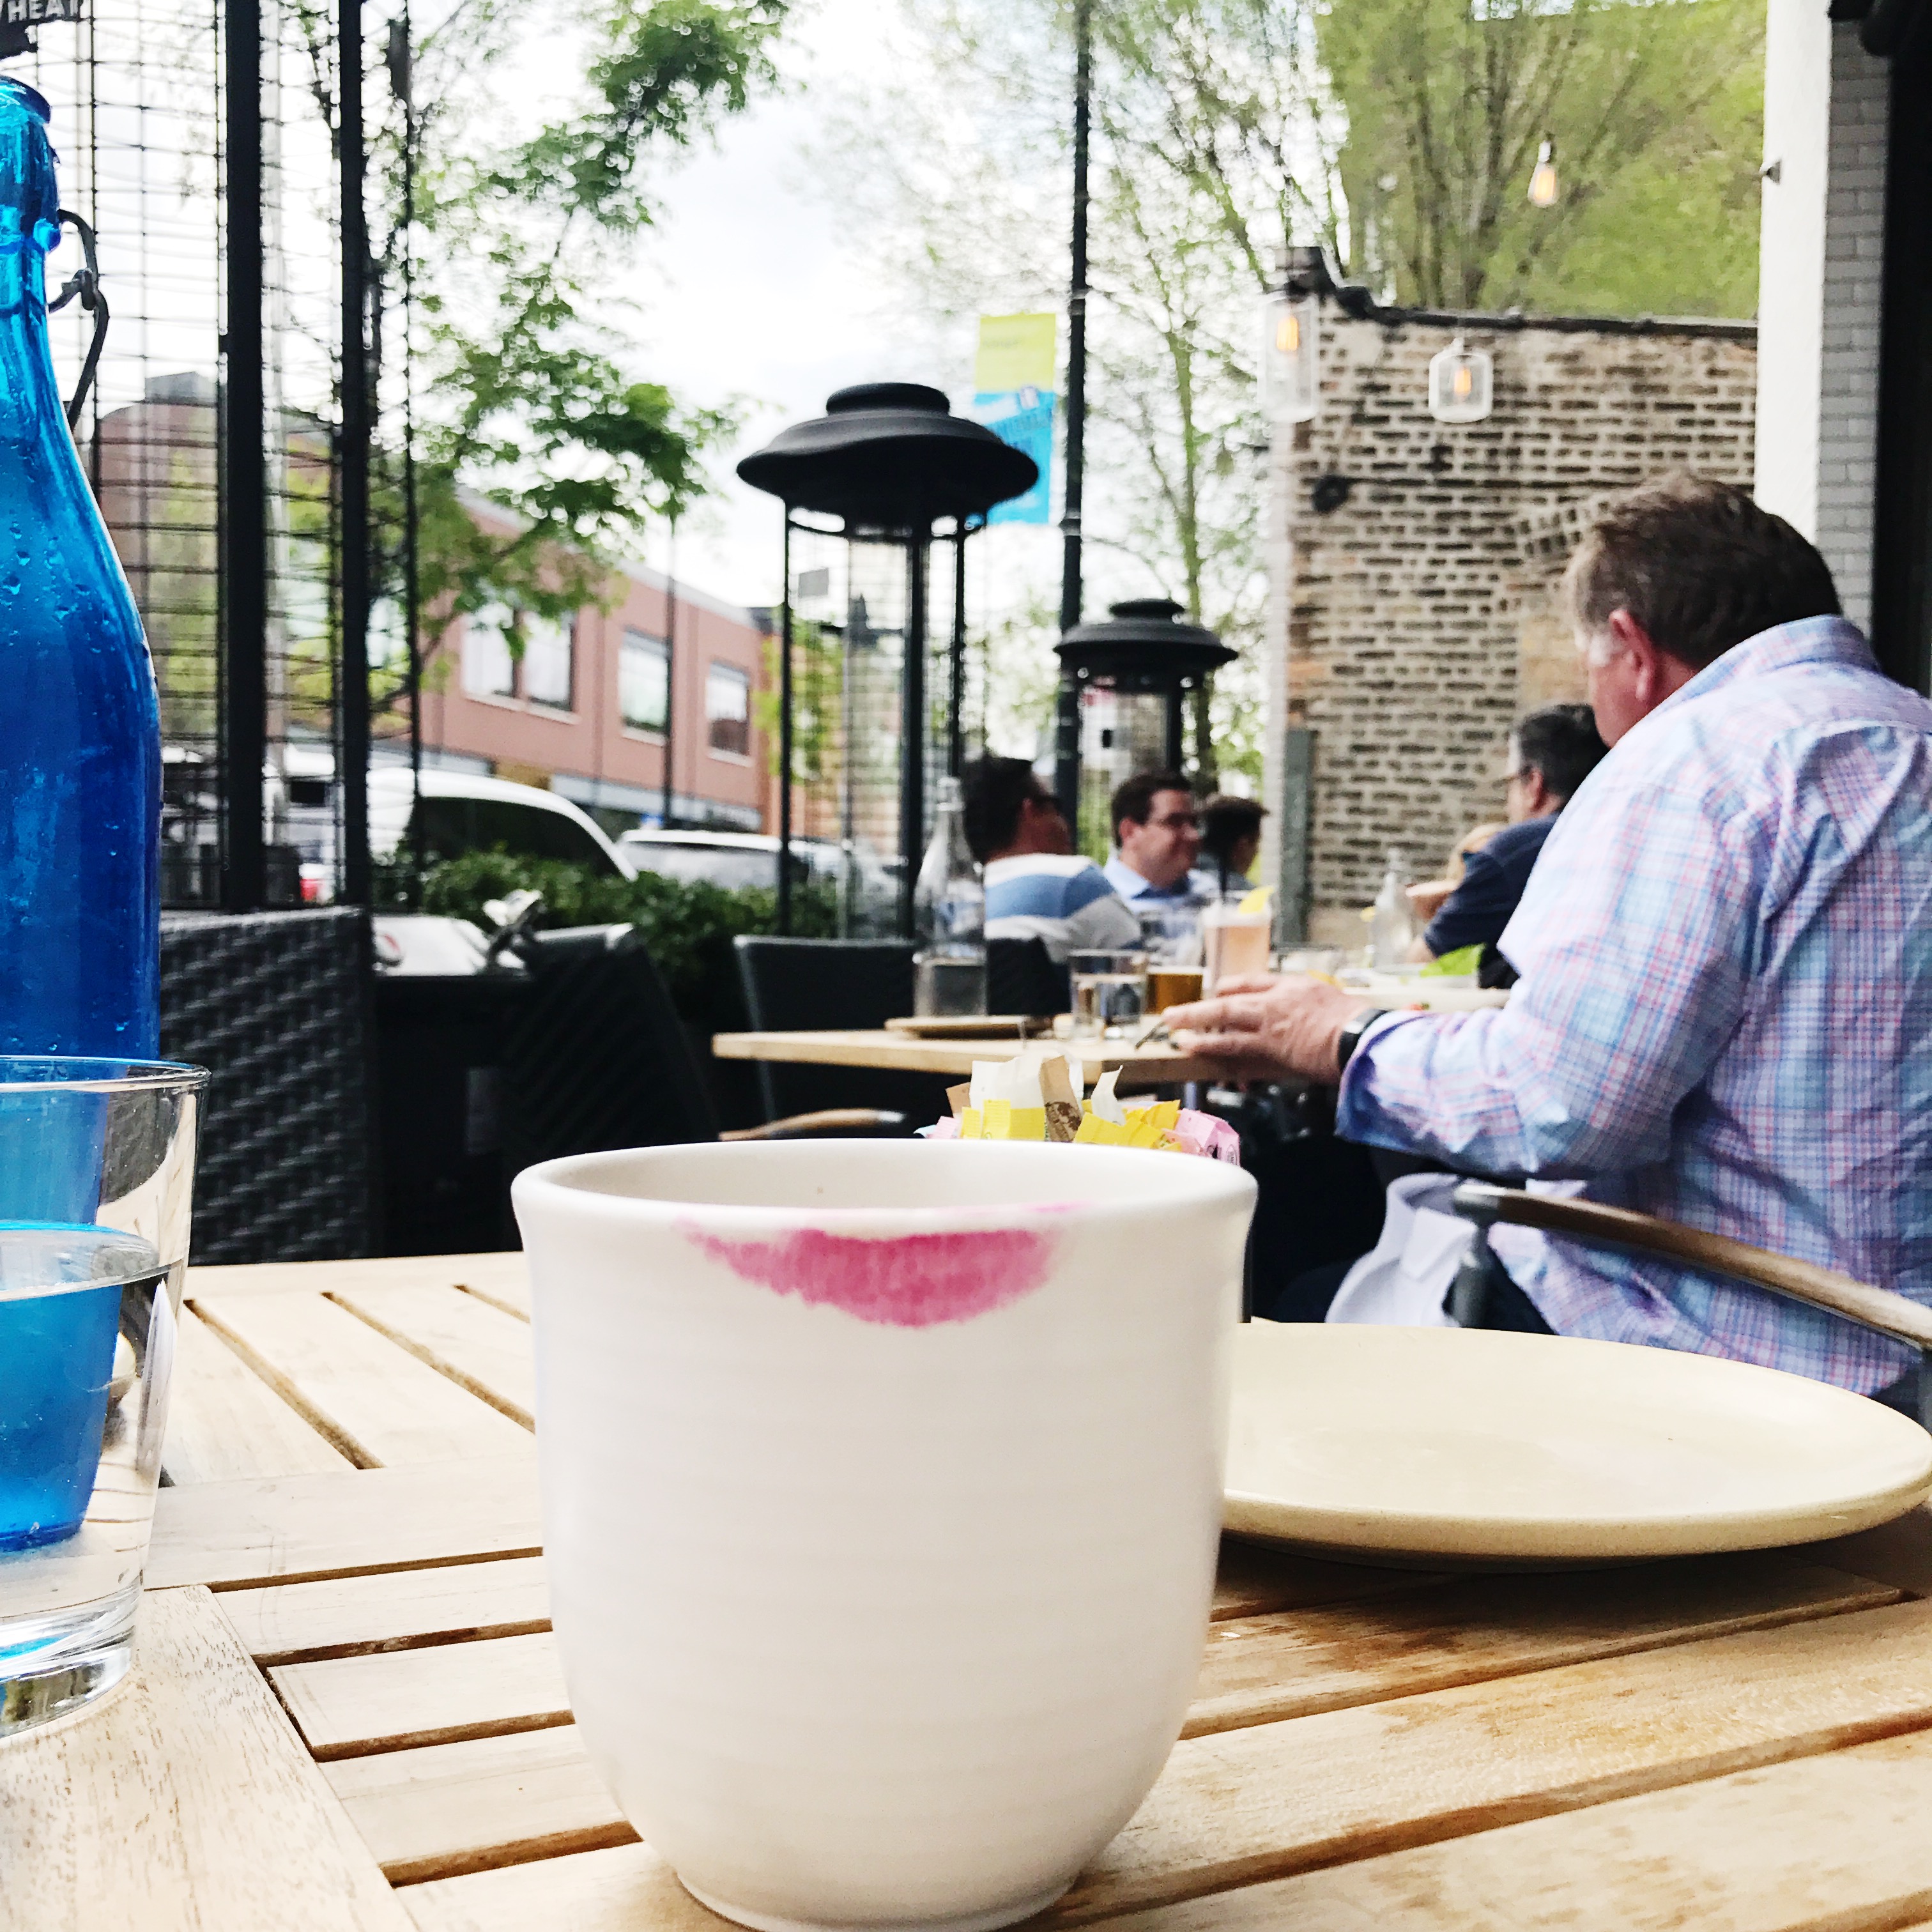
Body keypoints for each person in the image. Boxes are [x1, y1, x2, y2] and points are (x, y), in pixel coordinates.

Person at [1166, 473, 1932, 1403]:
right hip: (1904, 1361)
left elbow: (1562, 1105)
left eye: (1587, 665)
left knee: (1290, 1279)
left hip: (1719, 1352)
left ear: (1630, 646)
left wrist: (1339, 1038)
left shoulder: (1698, 763)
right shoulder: (1910, 739)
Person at [1408, 704, 1607, 964]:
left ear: (1534, 785)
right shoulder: (1618, 834)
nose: (1506, 803)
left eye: (1510, 782)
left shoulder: (1515, 851)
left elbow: (1417, 962)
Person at [961, 756, 1140, 963]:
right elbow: (1135, 977)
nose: (1065, 824)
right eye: (1055, 806)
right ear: (1030, 811)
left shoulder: (961, 908)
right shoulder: (1074, 881)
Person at [1103, 771, 1202, 906]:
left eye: (1194, 823)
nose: (1193, 835)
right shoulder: (1096, 902)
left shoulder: (1209, 893)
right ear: (1130, 832)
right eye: (1175, 822)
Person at [1197, 795, 1268, 896]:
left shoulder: (1174, 881)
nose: (1257, 851)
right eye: (1256, 843)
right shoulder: (1247, 896)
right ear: (1243, 844)